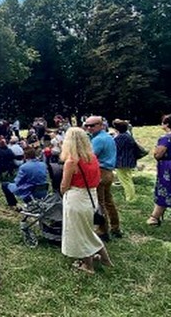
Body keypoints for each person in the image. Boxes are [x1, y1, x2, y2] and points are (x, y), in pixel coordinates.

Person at [59, 128, 113, 274]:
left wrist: (64, 193)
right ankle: (105, 259)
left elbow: (64, 185)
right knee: (88, 230)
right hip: (91, 195)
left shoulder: (71, 161)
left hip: (76, 197)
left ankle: (88, 265)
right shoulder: (92, 157)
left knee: (79, 233)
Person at [85, 115, 121, 240]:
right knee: (108, 201)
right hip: (109, 171)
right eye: (87, 125)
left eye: (92, 125)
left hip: (100, 172)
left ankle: (103, 230)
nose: (89, 128)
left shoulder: (98, 140)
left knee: (99, 203)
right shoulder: (107, 137)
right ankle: (115, 227)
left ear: (101, 125)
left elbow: (90, 157)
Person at [112, 119, 138, 202]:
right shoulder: (128, 136)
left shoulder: (119, 138)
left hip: (121, 162)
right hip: (129, 160)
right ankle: (131, 196)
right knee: (128, 179)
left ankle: (130, 198)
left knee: (125, 181)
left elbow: (115, 148)